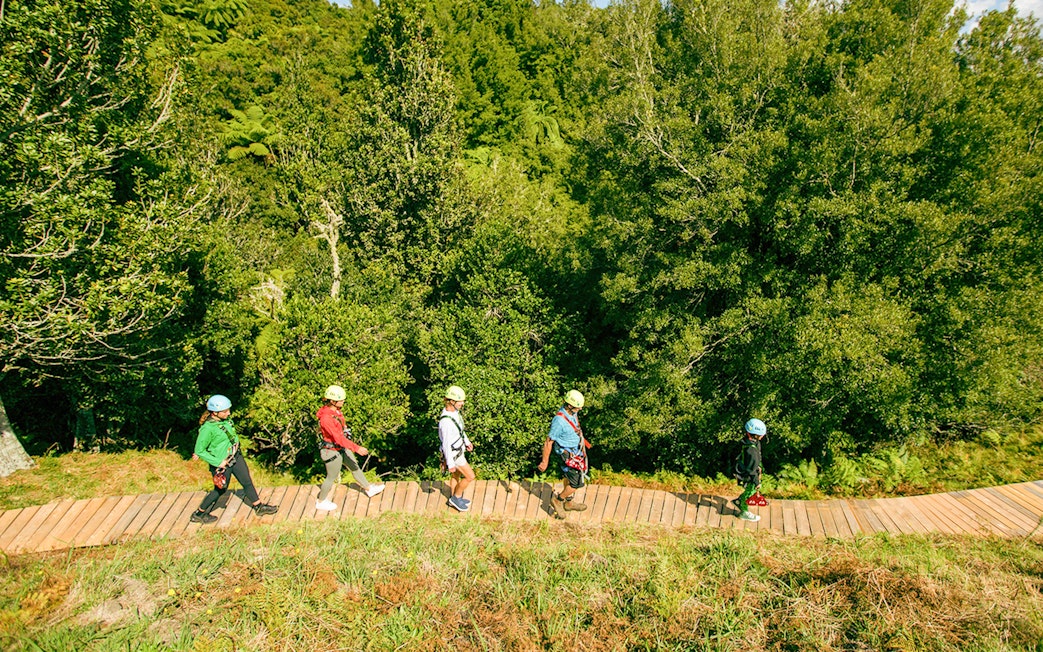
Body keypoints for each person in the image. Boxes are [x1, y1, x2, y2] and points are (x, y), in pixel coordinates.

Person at [190, 395, 278, 524]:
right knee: (220, 489)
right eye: (225, 411)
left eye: (228, 410)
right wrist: (218, 462)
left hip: (236, 456)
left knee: (246, 481)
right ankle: (199, 513)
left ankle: (258, 506)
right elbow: (199, 450)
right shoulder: (207, 429)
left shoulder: (226, 420)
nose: (228, 413)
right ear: (215, 413)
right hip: (222, 463)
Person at [315, 384, 385, 510]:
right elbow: (338, 438)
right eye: (341, 400)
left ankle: (368, 489)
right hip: (331, 451)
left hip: (340, 448)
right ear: (332, 401)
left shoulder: (336, 412)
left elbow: (340, 430)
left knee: (354, 466)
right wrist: (356, 448)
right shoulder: (326, 418)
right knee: (331, 477)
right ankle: (321, 501)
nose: (343, 402)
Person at [537, 390, 591, 519]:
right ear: (570, 405)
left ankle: (569, 502)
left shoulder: (571, 413)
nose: (580, 408)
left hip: (574, 450)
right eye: (578, 407)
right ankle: (559, 500)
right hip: (567, 454)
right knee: (577, 483)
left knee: (569, 476)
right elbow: (548, 442)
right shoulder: (559, 421)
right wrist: (544, 462)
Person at [438, 385, 474, 512]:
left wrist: (467, 442)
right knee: (470, 476)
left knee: (456, 476)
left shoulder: (455, 414)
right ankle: (456, 497)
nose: (462, 403)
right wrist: (450, 463)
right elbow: (446, 444)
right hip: (454, 455)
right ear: (451, 402)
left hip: (459, 450)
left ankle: (454, 498)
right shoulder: (446, 422)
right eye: (460, 401)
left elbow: (460, 431)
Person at [732, 418, 766, 522]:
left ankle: (740, 501)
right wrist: (756, 482)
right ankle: (744, 511)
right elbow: (752, 470)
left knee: (749, 491)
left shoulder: (747, 442)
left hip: (746, 470)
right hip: (748, 474)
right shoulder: (751, 450)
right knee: (750, 491)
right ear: (757, 435)